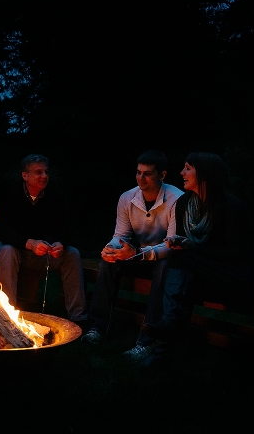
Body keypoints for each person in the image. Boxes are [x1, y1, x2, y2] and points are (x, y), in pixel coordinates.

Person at [141, 152, 254, 358]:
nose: (182, 172)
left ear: (205, 174)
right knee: (178, 269)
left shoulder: (230, 206)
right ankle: (163, 347)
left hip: (235, 278)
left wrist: (193, 247)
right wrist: (177, 242)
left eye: (188, 168)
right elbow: (184, 246)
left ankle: (164, 338)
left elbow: (236, 255)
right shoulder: (184, 204)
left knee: (181, 269)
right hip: (198, 273)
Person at [81, 150, 184, 364]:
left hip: (163, 258)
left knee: (165, 266)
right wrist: (111, 249)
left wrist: (136, 253)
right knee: (108, 263)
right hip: (139, 256)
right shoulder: (127, 198)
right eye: (138, 172)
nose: (141, 178)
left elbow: (172, 245)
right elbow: (121, 235)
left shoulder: (176, 199)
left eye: (147, 174)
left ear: (162, 175)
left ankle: (148, 339)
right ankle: (97, 328)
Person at [0, 154, 88, 327]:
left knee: (72, 254)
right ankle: (7, 318)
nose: (44, 176)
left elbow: (66, 227)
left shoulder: (54, 195)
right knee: (7, 251)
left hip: (40, 253)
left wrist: (60, 243)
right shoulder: (10, 194)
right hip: (12, 249)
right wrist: (29, 243)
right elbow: (2, 231)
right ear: (24, 175)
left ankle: (78, 318)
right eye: (38, 172)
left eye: (46, 172)